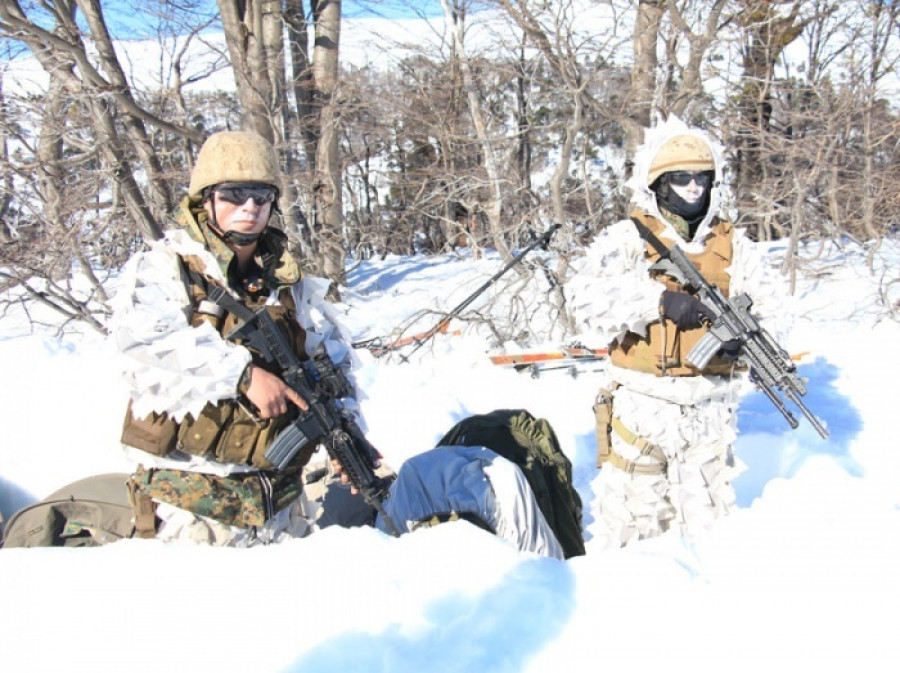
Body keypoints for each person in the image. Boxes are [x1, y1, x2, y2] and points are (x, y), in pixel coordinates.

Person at [111, 130, 375, 546]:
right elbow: (144, 345)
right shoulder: (166, 267)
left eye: (261, 196)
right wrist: (243, 376)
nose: (250, 207)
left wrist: (347, 436)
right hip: (192, 500)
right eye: (235, 194)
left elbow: (333, 362)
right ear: (206, 199)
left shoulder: (291, 285)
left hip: (277, 502)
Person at [567, 115, 787, 547]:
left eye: (701, 177)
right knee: (632, 525)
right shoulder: (627, 239)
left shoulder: (734, 246)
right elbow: (583, 299)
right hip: (642, 407)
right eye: (681, 177)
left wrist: (747, 336)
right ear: (659, 183)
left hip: (710, 411)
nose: (692, 187)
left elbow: (776, 309)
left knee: (710, 530)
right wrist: (659, 303)